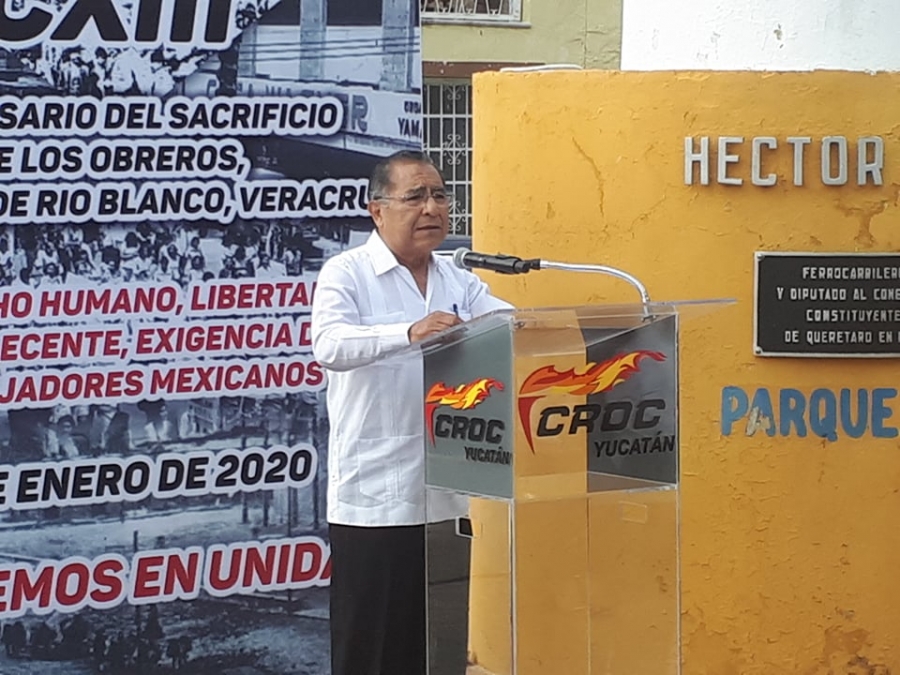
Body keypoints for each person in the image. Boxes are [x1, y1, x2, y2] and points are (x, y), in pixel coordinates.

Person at [311, 150, 511, 675]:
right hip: (374, 497)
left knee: (438, 648)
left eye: (440, 195)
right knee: (371, 649)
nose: (432, 208)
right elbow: (330, 345)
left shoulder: (457, 278)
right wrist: (407, 333)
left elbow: (510, 325)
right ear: (377, 210)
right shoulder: (347, 272)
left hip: (447, 491)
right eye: (416, 196)